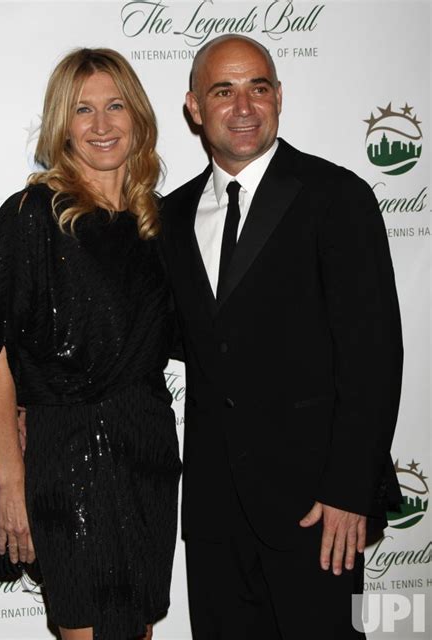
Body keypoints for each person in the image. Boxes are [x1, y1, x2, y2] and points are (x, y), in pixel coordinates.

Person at [161, 35, 403, 639]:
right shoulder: (169, 216)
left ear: (278, 98)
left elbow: (373, 355)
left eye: (258, 87)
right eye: (224, 91)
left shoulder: (336, 195)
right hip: (215, 513)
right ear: (194, 107)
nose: (244, 106)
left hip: (318, 509)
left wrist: (351, 490)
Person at [0, 48, 182, 640]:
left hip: (148, 446)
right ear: (62, 125)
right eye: (82, 110)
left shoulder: (158, 223)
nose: (102, 124)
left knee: (138, 628)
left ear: (137, 116)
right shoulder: (31, 216)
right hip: (68, 455)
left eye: (115, 106)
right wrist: (10, 487)